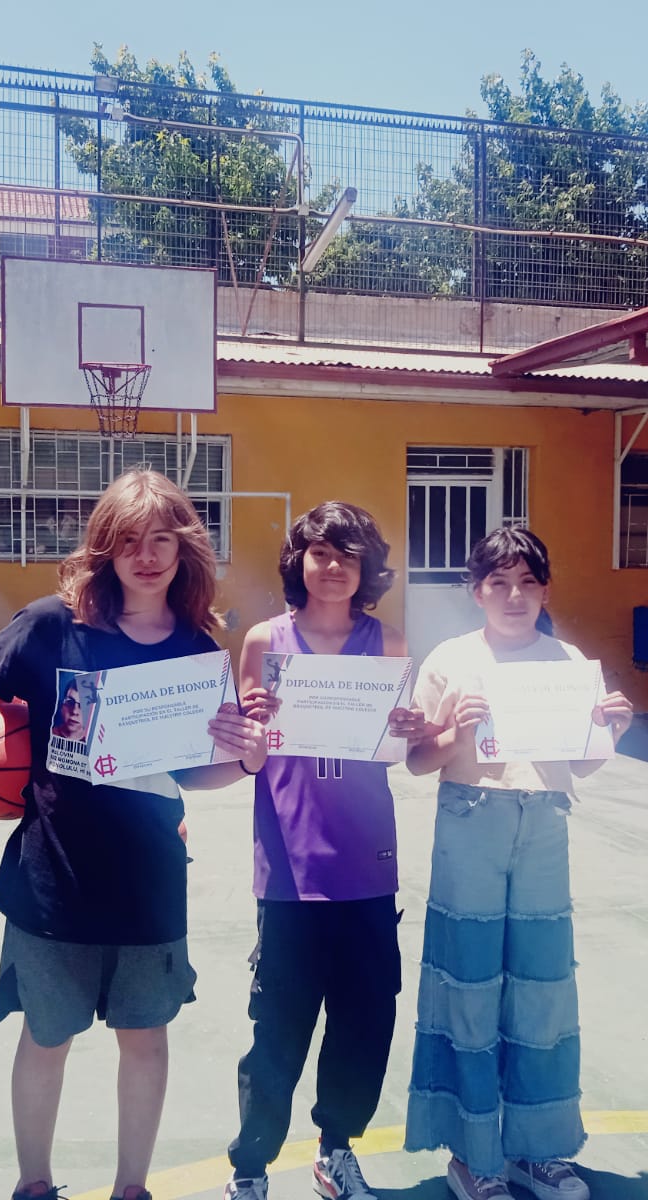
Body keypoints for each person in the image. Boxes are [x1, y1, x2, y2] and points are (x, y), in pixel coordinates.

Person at [0, 468, 268, 1200]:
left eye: (162, 540)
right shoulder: (53, 623)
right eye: (130, 540)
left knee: (144, 1040)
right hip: (55, 874)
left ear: (184, 550)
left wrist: (246, 758)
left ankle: (131, 1189)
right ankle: (33, 1184)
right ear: (104, 548)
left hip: (148, 879)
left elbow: (198, 773)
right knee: (47, 1036)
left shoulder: (199, 651)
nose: (146, 556)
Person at [403, 528, 632, 1200]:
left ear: (545, 590)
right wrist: (455, 732)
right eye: (498, 583)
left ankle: (538, 1149)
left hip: (544, 825)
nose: (514, 596)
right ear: (476, 591)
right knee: (470, 988)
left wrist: (612, 726)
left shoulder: (570, 661)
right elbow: (419, 761)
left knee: (542, 989)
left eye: (528, 583)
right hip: (470, 820)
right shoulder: (449, 660)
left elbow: (582, 761)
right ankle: (476, 1157)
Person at [223, 502, 428, 1200]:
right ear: (299, 562)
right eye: (320, 552)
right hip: (289, 867)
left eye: (348, 554)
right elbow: (249, 754)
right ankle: (250, 1164)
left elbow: (397, 752)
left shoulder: (390, 642)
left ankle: (336, 1147)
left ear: (369, 566)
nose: (334, 566)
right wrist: (248, 728)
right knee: (278, 1023)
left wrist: (408, 730)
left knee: (365, 1019)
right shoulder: (264, 642)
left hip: (368, 862)